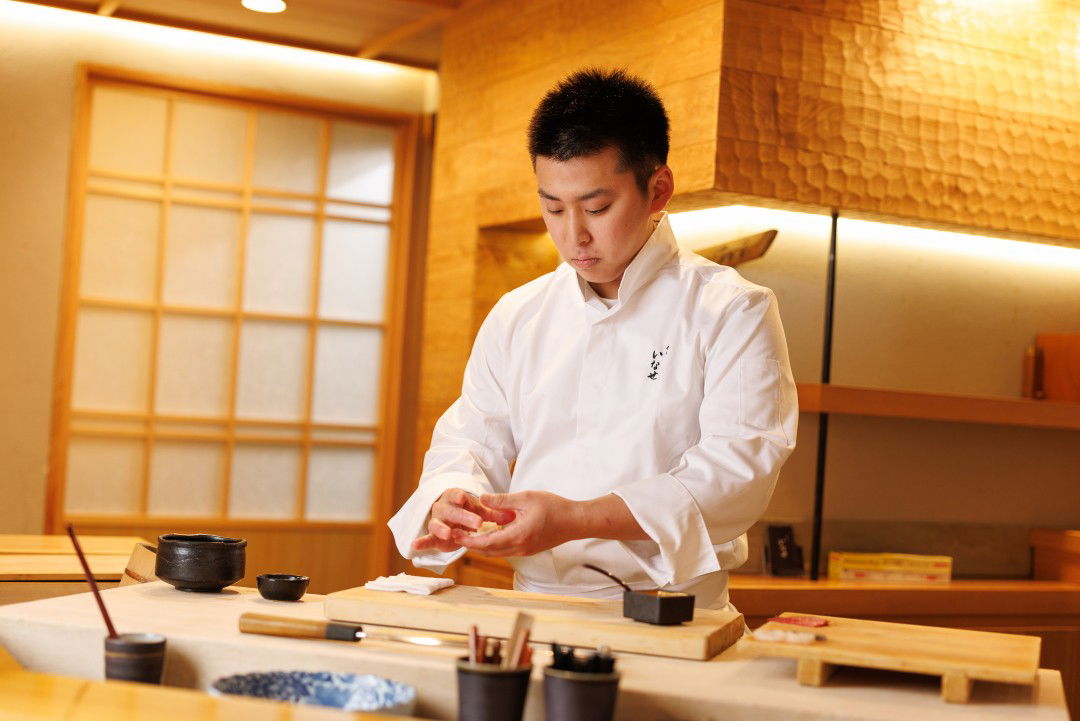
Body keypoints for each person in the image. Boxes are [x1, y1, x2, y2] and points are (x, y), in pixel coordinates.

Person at [388, 68, 798, 610]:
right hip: (534, 606)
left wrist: (576, 519)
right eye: (553, 208)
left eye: (597, 208)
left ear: (658, 190)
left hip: (671, 609)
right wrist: (450, 497)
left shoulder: (731, 308)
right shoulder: (518, 314)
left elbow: (738, 471)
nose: (572, 234)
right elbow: (471, 438)